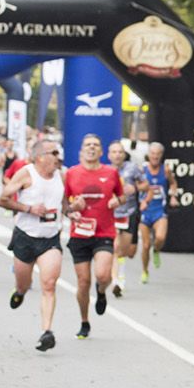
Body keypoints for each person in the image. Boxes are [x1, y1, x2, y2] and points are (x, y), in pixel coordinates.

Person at [0, 137, 66, 352]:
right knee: (24, 284)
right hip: (26, 237)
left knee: (49, 284)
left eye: (58, 153)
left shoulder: (61, 176)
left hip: (50, 238)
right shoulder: (26, 174)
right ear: (40, 157)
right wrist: (29, 209)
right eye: (53, 153)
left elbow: (65, 204)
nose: (58, 157)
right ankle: (19, 292)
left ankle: (46, 332)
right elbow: (3, 199)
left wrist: (75, 208)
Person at [62, 133, 125, 340]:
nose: (91, 148)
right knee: (82, 282)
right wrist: (72, 208)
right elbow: (63, 205)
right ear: (81, 150)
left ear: (101, 151)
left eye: (95, 145)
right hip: (80, 234)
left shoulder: (111, 173)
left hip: (104, 232)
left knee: (103, 275)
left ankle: (101, 291)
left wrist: (118, 201)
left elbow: (122, 195)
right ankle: (84, 321)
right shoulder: (71, 174)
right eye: (87, 145)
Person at [136, 141, 178, 284]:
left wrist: (173, 195)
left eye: (158, 154)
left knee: (160, 238)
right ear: (149, 155)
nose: (155, 156)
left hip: (160, 210)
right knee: (146, 245)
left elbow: (173, 183)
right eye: (153, 154)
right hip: (145, 210)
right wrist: (142, 194)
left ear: (161, 155)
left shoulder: (165, 170)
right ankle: (145, 270)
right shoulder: (142, 170)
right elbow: (136, 185)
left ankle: (157, 250)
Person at [108, 140, 141, 296]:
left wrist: (135, 188)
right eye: (114, 152)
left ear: (124, 154)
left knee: (125, 250)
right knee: (115, 248)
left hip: (129, 212)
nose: (117, 155)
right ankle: (117, 280)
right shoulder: (105, 171)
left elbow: (145, 185)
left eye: (120, 152)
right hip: (112, 214)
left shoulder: (132, 168)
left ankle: (120, 273)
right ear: (109, 155)